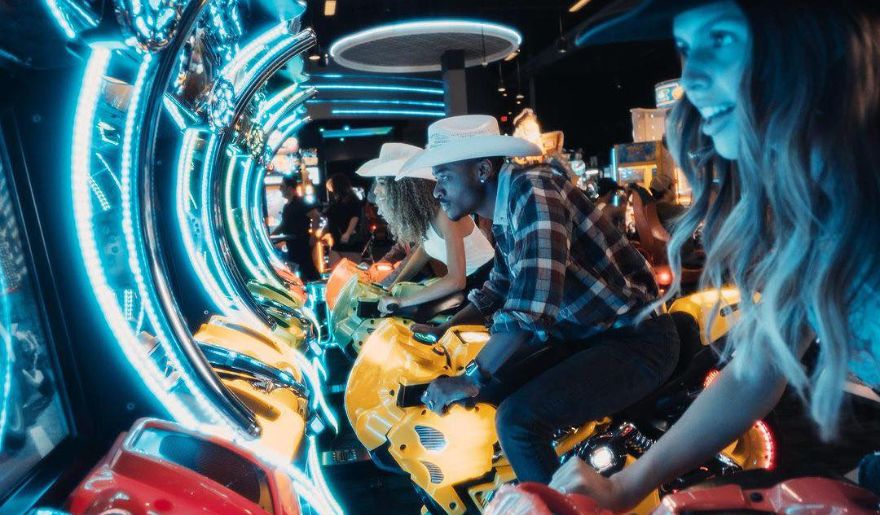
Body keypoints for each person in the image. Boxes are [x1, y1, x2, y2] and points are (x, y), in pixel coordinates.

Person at [549, 1, 880, 509]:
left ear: (817, 42)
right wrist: (625, 486)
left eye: (721, 39)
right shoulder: (814, 210)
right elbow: (754, 369)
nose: (693, 78)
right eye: (685, 49)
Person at [399, 115, 680, 483]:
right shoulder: (501, 211)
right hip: (585, 336)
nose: (437, 190)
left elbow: (533, 304)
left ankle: (550, 503)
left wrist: (470, 376)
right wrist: (445, 330)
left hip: (635, 339)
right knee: (490, 395)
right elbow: (500, 285)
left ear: (482, 170)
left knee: (517, 422)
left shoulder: (533, 190)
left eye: (445, 176)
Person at [355, 142, 495, 314]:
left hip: (487, 284)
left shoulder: (445, 215)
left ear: (404, 188)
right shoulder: (426, 214)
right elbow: (424, 250)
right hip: (470, 285)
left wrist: (400, 301)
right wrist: (390, 286)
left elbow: (456, 280)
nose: (376, 191)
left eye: (382, 183)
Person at [271, 175, 319, 281]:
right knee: (299, 268)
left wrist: (313, 236)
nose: (280, 189)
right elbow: (284, 224)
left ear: (289, 188)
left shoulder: (301, 202)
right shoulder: (287, 206)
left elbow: (316, 216)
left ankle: (317, 286)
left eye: (282, 186)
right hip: (292, 243)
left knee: (307, 267)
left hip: (302, 241)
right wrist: (271, 236)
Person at [324, 173, 362, 255]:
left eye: (331, 187)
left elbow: (355, 217)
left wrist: (348, 233)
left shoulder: (351, 200)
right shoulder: (338, 201)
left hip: (347, 239)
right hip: (338, 238)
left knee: (348, 263)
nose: (330, 190)